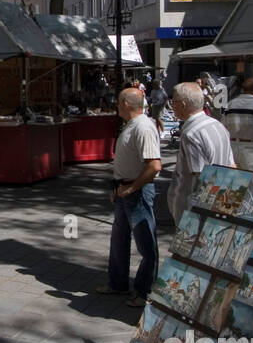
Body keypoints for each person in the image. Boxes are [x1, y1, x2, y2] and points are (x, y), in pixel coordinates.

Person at [95, 87, 162, 306]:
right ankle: (118, 283)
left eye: (117, 102)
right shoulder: (133, 125)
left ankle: (144, 291)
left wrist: (132, 188)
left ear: (125, 103)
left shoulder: (142, 127)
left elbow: (153, 166)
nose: (115, 105)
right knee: (119, 239)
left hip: (136, 192)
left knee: (146, 244)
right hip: (124, 190)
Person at [167, 81, 235, 223]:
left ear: (182, 104)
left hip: (195, 210)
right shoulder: (218, 125)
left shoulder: (191, 134)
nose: (172, 106)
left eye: (173, 102)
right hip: (217, 201)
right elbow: (232, 166)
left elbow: (201, 177)